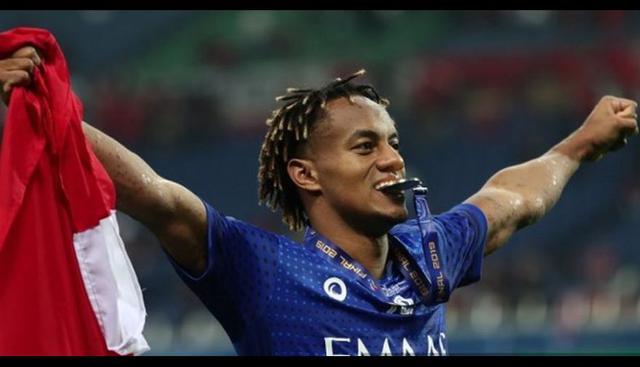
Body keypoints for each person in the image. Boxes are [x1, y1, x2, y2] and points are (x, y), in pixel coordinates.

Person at [1, 45, 638, 356]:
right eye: (364, 147)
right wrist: (52, 112)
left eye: (392, 143)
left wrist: (578, 146)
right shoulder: (262, 271)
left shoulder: (431, 253)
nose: (392, 159)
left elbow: (511, 198)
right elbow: (158, 197)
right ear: (306, 175)